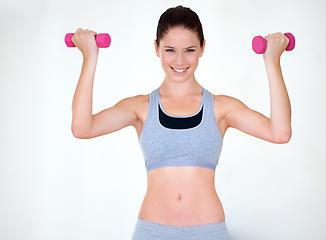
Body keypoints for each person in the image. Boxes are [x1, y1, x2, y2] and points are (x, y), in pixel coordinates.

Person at [70, 5, 292, 240]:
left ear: (202, 48)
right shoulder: (140, 107)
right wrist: (89, 57)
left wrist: (272, 61)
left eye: (189, 50)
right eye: (170, 50)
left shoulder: (221, 108)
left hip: (209, 232)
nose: (179, 60)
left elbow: (279, 132)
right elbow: (82, 127)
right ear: (156, 48)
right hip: (152, 231)